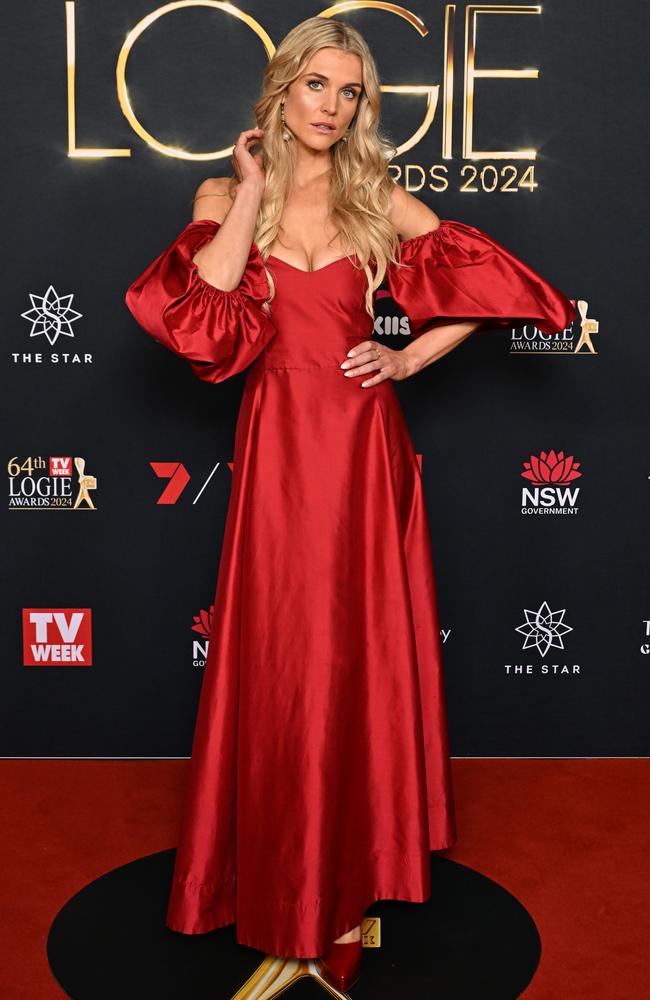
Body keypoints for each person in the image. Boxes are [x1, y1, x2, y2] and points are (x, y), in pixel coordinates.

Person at [125, 16, 576, 993]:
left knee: (348, 653)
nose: (330, 107)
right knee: (283, 657)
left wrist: (410, 353)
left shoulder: (375, 193)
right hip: (278, 445)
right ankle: (292, 901)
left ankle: (346, 892)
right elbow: (201, 317)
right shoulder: (222, 191)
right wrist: (250, 191)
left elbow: (492, 278)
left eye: (349, 92)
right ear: (281, 89)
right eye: (315, 86)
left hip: (362, 447)